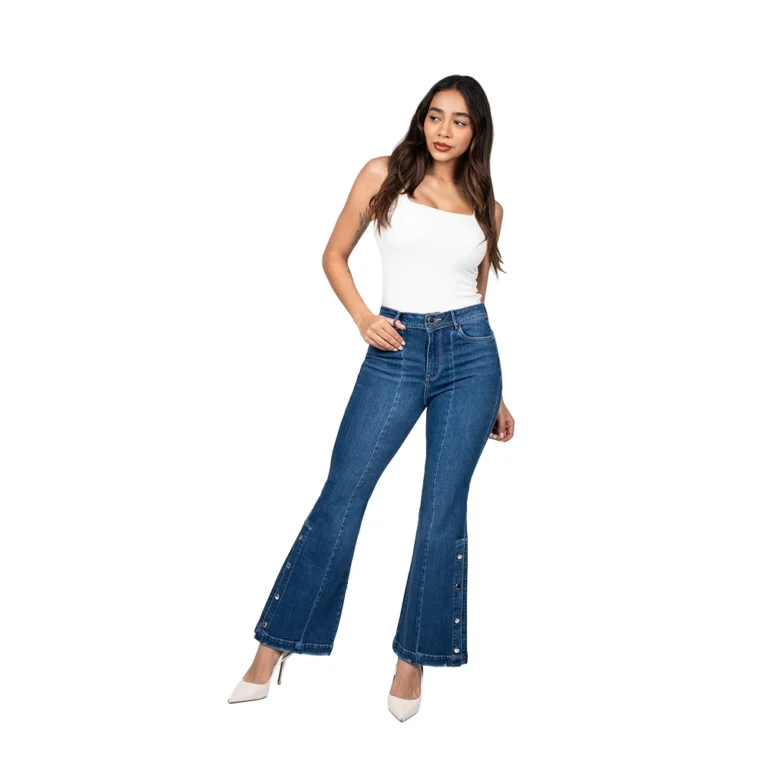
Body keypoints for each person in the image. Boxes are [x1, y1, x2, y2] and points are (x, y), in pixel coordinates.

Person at [228, 74, 515, 721]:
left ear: (477, 132)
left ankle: (414, 661)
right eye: (435, 116)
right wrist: (363, 318)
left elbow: (474, 297)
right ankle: (274, 646)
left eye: (459, 120)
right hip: (395, 348)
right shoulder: (383, 174)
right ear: (421, 119)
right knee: (343, 494)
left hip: (472, 357)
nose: (444, 130)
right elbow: (333, 255)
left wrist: (498, 393)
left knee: (442, 512)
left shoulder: (487, 207)